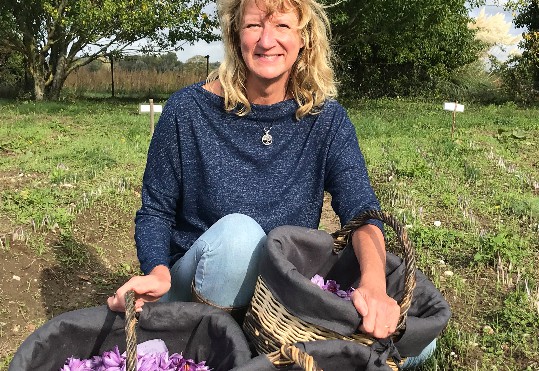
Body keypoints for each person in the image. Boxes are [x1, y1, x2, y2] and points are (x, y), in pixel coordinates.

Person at [107, 0, 435, 366]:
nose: (266, 40)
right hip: (194, 285)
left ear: (304, 39)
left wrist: (373, 285)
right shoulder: (187, 111)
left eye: (281, 26)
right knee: (239, 239)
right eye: (253, 26)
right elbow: (155, 211)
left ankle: (265, 351)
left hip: (276, 296)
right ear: (235, 36)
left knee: (416, 341)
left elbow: (361, 210)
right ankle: (214, 348)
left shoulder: (326, 120)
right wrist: (156, 270)